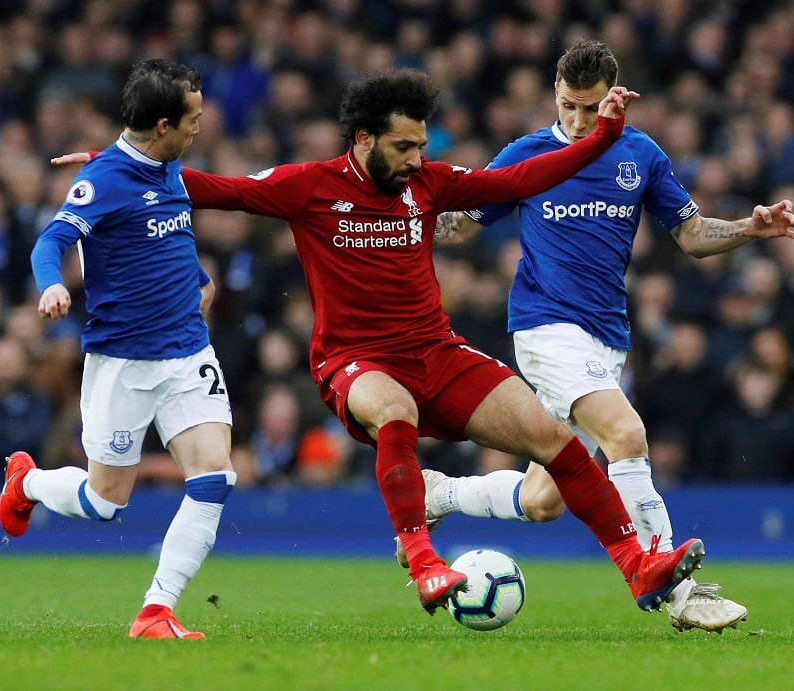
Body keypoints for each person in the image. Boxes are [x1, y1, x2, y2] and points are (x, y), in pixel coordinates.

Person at [58, 67, 708, 618]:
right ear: (364, 139)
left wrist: (608, 135)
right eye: (403, 146)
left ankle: (638, 564)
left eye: (421, 145)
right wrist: (110, 167)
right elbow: (212, 189)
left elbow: (523, 181)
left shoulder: (429, 184)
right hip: (353, 362)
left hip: (437, 352)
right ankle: (423, 558)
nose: (416, 159)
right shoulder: (308, 186)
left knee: (554, 437)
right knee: (395, 409)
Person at [421, 40, 794, 632]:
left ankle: (441, 494)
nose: (577, 120)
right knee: (627, 433)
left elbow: (692, 233)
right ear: (555, 91)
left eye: (590, 107)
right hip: (545, 329)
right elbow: (460, 226)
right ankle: (679, 592)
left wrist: (750, 230)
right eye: (569, 105)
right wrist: (398, 217)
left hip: (606, 338)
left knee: (545, 499)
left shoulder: (639, 156)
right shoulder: (526, 154)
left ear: (612, 99)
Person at [0, 59, 237, 640]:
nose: (200, 128)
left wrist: (197, 280)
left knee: (214, 478)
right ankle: (26, 482)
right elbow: (51, 240)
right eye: (193, 119)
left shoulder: (171, 168)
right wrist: (52, 282)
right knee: (106, 501)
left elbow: (165, 237)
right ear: (162, 124)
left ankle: (157, 610)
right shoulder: (103, 180)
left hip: (187, 353)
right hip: (122, 363)